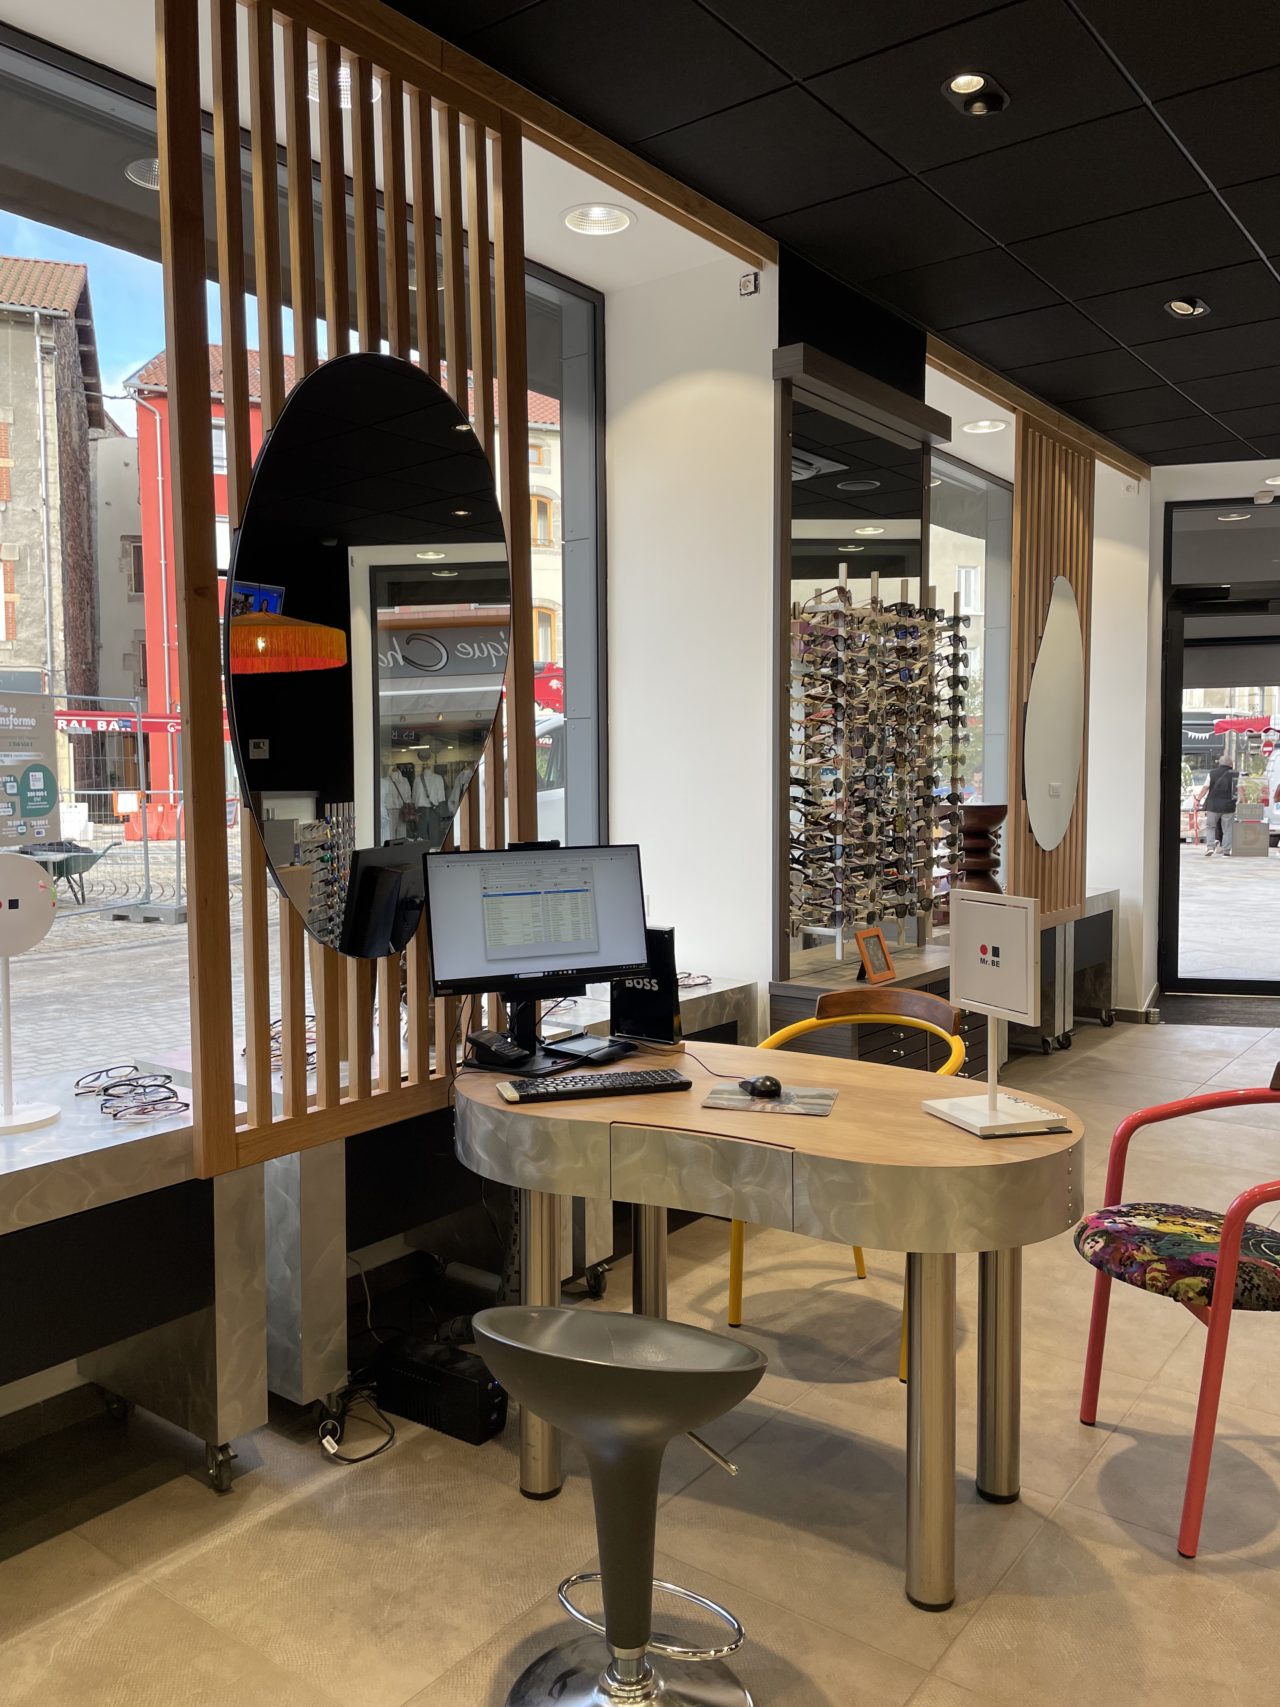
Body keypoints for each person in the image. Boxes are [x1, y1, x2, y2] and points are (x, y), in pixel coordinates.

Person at [1202, 752, 1237, 857]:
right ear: (1230, 764)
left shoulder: (1212, 773)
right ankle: (1226, 850)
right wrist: (1243, 800)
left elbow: (1205, 787)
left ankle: (1210, 847)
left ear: (1220, 763)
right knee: (1228, 828)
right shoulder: (1235, 774)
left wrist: (1198, 799)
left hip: (1213, 805)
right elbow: (1239, 789)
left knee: (1210, 826)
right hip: (1228, 806)